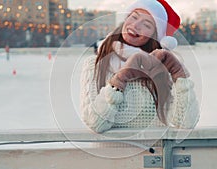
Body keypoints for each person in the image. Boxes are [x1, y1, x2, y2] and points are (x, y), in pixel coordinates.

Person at [80, 0, 199, 133]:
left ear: (155, 36)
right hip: (111, 152)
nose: (135, 25)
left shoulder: (163, 67)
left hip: (156, 153)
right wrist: (119, 80)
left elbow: (186, 123)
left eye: (146, 25)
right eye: (134, 17)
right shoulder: (94, 64)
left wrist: (178, 74)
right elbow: (94, 123)